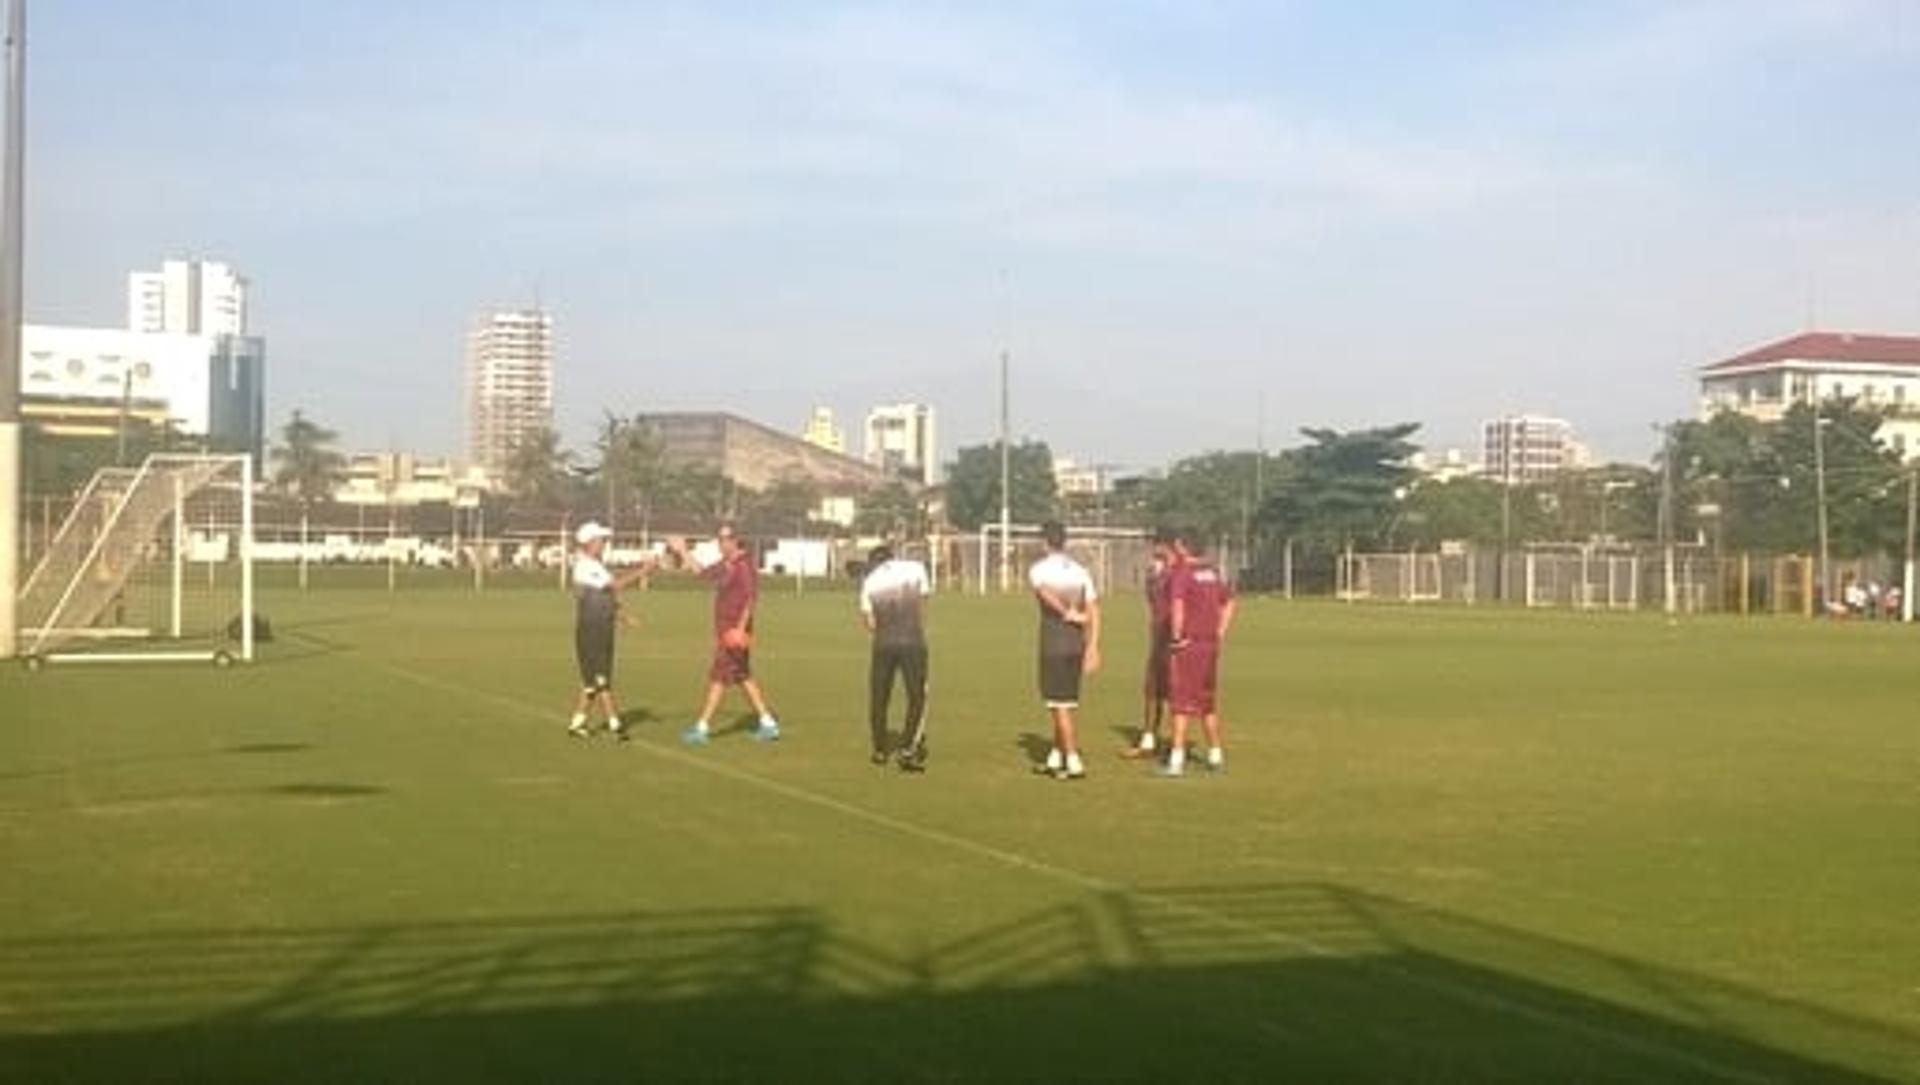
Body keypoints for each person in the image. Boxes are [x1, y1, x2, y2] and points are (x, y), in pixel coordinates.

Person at [670, 524, 782, 745]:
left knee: (719, 677)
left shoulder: (744, 565)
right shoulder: (726, 564)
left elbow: (751, 599)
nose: (721, 543)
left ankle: (702, 727)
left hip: (733, 632)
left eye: (725, 538)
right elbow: (702, 573)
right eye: (719, 539)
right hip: (725, 629)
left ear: (736, 540)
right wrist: (683, 551)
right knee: (742, 676)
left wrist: (740, 629)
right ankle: (768, 723)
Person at [566, 522, 656, 740]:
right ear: (589, 542)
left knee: (592, 681)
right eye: (601, 540)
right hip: (592, 629)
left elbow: (604, 599)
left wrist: (622, 616)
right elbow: (612, 587)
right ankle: (615, 724)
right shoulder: (586, 566)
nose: (604, 544)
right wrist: (644, 570)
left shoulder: (595, 565)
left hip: (602, 627)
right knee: (601, 679)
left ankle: (577, 723)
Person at [1160, 529, 1237, 777]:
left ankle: (1176, 761)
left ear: (1183, 546)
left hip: (1189, 645)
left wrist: (1176, 637)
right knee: (1207, 703)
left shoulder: (1182, 574)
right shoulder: (1212, 572)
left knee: (1180, 703)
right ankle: (1216, 756)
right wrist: (1220, 632)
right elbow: (1230, 601)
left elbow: (1178, 606)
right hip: (1210, 644)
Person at [1029, 521, 1101, 781]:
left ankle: (1073, 760)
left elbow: (1043, 592)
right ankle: (1055, 757)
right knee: (1066, 702)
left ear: (1045, 542)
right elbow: (1094, 609)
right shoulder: (1081, 571)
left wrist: (1066, 613)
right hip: (1077, 645)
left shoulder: (1039, 569)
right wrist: (1093, 646)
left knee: (1059, 706)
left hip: (1054, 644)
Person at [859, 544, 933, 771]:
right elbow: (923, 603)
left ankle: (880, 750)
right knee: (916, 696)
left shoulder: (869, 582)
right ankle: (907, 749)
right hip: (912, 641)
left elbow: (869, 622)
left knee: (879, 697)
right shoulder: (915, 568)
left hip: (883, 644)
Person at [1123, 527, 1177, 760]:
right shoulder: (1156, 572)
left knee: (1177, 692)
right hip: (1157, 637)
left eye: (1156, 545)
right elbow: (1152, 601)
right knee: (1152, 689)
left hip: (1175, 639)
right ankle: (1148, 740)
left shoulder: (1180, 572)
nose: (1153, 550)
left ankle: (1177, 745)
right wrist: (1151, 579)